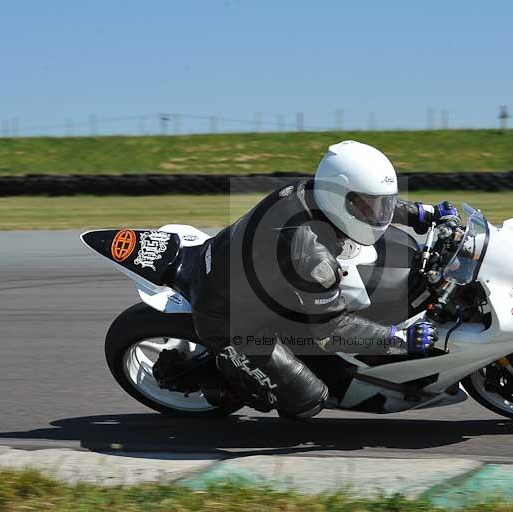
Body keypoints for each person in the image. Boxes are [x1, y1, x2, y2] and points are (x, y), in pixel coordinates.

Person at [182, 140, 457, 418]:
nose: (379, 213)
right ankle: (237, 382)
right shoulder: (313, 258)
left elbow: (367, 205)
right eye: (373, 205)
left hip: (240, 269)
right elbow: (332, 333)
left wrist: (423, 213)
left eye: (380, 204)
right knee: (308, 401)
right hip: (228, 317)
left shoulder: (316, 191)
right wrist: (397, 338)